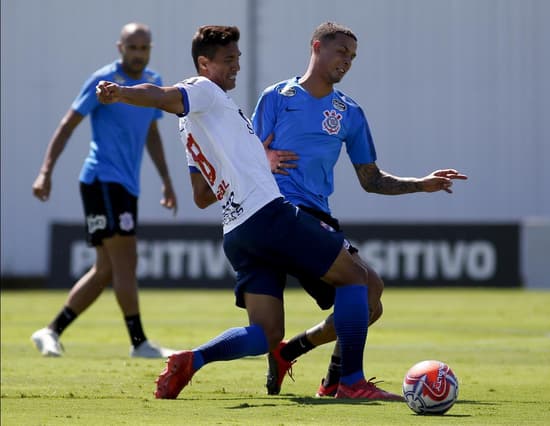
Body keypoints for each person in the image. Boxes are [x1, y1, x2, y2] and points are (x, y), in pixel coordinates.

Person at [95, 25, 413, 400]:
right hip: (270, 217)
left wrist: (250, 165)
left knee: (266, 333)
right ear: (204, 63)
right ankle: (350, 383)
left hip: (237, 231)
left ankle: (192, 360)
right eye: (229, 60)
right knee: (358, 282)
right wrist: (124, 93)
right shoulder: (203, 90)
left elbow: (200, 195)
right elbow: (162, 95)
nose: (237, 67)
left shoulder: (191, 126)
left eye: (238, 59)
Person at [251, 21, 468, 397]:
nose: (347, 61)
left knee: (371, 304)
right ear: (317, 47)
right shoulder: (276, 97)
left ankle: (301, 357)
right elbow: (245, 154)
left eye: (352, 56)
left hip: (317, 214)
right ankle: (347, 381)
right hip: (281, 212)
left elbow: (370, 179)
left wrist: (421, 183)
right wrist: (264, 155)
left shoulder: (348, 112)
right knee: (366, 285)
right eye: (341, 52)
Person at [31, 22, 178, 359]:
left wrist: (167, 180)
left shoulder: (152, 83)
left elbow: (152, 134)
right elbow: (67, 125)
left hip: (125, 185)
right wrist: (45, 172)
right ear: (120, 48)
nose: (138, 54)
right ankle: (139, 343)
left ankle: (51, 331)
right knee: (125, 261)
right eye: (132, 47)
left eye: (144, 48)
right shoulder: (103, 82)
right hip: (102, 179)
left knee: (106, 270)